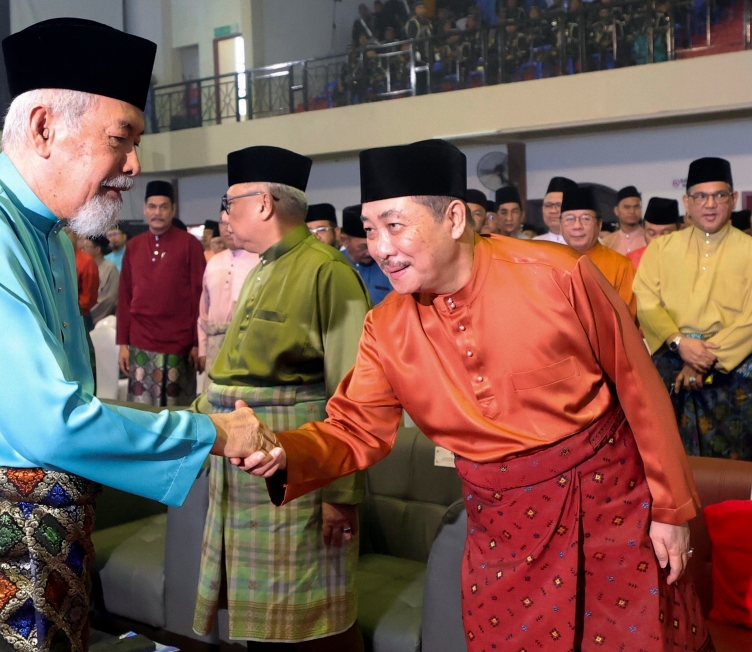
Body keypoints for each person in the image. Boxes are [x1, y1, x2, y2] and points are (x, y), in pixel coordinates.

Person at [0, 19, 270, 652]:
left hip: (43, 542)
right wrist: (211, 432)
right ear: (44, 127)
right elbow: (48, 420)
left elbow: (63, 399)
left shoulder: (52, 236)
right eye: (120, 139)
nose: (134, 166)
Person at [235, 139, 710, 652]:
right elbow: (356, 429)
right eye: (370, 230)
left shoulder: (558, 275)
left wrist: (671, 510)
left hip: (611, 507)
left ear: (455, 218)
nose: (379, 247)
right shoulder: (386, 327)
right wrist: (285, 450)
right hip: (503, 529)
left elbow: (639, 387)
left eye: (395, 225)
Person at [193, 146, 370, 652]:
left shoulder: (327, 271)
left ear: (264, 203)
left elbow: (351, 393)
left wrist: (340, 495)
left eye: (230, 203)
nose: (225, 215)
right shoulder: (263, 266)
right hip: (246, 465)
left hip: (297, 466)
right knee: (260, 617)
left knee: (309, 617)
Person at [635, 157, 752, 460]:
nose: (710, 204)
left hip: (734, 371)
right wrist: (680, 343)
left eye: (719, 195)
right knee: (668, 461)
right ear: (687, 202)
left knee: (731, 469)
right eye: (701, 196)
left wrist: (703, 356)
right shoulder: (661, 249)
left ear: (733, 199)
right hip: (671, 364)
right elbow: (646, 301)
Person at [117, 180, 206, 406]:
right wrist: (123, 344)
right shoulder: (134, 246)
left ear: (173, 209)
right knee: (142, 411)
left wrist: (198, 343)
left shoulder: (189, 245)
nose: (157, 212)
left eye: (163, 206)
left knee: (178, 414)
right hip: (140, 340)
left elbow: (200, 297)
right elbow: (125, 296)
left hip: (180, 343)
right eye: (153, 206)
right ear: (145, 209)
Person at [559, 184, 637, 318]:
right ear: (560, 226)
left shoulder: (621, 266)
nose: (577, 226)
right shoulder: (550, 264)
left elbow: (626, 320)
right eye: (570, 219)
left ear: (599, 224)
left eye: (585, 218)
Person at [197, 206, 259, 374]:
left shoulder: (260, 260)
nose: (228, 228)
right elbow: (204, 312)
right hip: (214, 344)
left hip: (247, 343)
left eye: (233, 221)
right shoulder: (213, 262)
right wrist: (202, 350)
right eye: (223, 223)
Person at [341, 204, 392, 305]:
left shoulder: (391, 265)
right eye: (363, 247)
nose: (371, 252)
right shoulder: (333, 265)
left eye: (374, 244)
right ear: (344, 240)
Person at [627, 197, 680, 268]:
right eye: (652, 233)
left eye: (665, 234)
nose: (658, 240)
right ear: (644, 229)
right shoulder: (631, 260)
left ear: (678, 230)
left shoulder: (692, 258)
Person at [81, 234, 119, 324]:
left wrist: (87, 315)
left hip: (98, 320)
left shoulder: (110, 269)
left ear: (97, 249)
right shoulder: (85, 266)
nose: (82, 250)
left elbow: (109, 299)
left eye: (85, 247)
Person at [66, 228, 101, 324]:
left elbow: (89, 298)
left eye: (66, 232)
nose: (63, 235)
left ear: (77, 235)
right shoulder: (52, 257)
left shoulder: (86, 261)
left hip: (78, 316)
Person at [603, 186, 646, 255]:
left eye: (636, 207)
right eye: (627, 207)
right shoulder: (607, 243)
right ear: (616, 211)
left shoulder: (650, 239)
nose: (632, 211)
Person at [534, 176, 574, 243]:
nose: (553, 211)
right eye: (548, 205)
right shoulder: (535, 244)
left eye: (559, 205)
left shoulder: (584, 244)